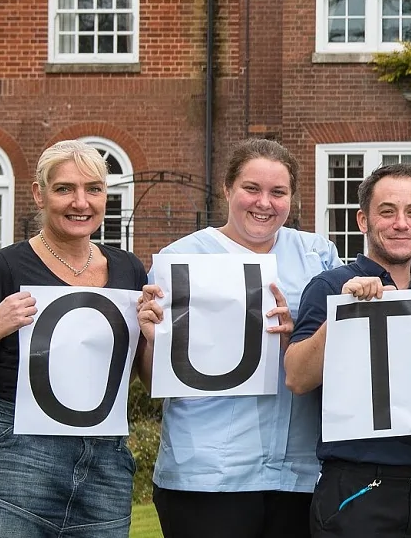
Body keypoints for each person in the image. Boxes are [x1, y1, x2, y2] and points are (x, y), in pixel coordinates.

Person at [0, 139, 166, 537]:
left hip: (105, 459)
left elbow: (150, 382)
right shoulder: (4, 266)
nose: (80, 203)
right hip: (17, 456)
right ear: (39, 193)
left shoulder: (128, 269)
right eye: (65, 188)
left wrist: (153, 338)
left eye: (94, 189)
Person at [151, 139, 340, 538]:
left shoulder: (317, 256)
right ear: (227, 189)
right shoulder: (181, 258)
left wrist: (300, 336)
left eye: (278, 192)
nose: (264, 203)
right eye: (251, 188)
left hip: (298, 471)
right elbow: (152, 377)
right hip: (207, 472)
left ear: (293, 198)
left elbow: (344, 356)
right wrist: (153, 338)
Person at [282, 164, 411, 538]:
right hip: (356, 486)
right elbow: (296, 376)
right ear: (363, 220)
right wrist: (344, 313)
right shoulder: (331, 285)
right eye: (387, 211)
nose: (400, 223)